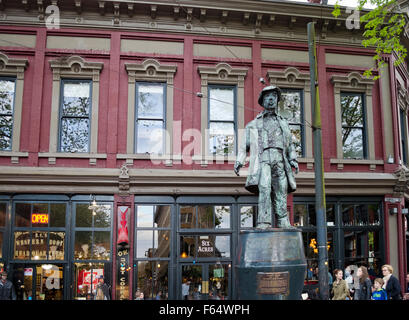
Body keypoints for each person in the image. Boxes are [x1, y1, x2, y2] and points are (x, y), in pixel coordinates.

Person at [234, 85, 299, 228]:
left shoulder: (283, 123)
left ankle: (283, 221)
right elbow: (244, 146)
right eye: (267, 97)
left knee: (281, 190)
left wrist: (293, 159)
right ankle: (264, 221)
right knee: (264, 188)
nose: (271, 100)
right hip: (263, 159)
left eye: (274, 97)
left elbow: (289, 144)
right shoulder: (253, 124)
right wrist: (239, 161)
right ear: (262, 101)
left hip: (280, 159)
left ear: (277, 100)